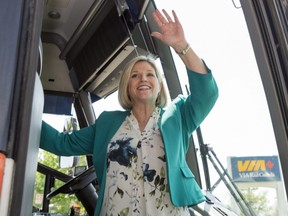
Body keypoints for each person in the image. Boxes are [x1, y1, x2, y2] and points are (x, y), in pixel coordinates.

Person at [40, 8, 218, 216]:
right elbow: (61, 143)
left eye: (150, 75)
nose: (143, 79)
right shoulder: (107, 124)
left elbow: (207, 94)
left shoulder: (178, 117)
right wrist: (18, 113)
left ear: (159, 86)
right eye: (135, 75)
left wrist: (181, 46)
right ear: (126, 86)